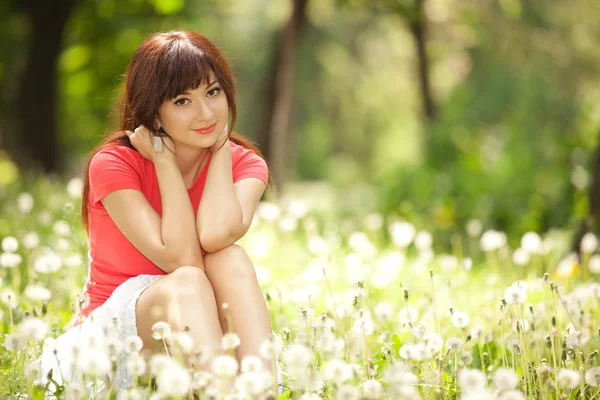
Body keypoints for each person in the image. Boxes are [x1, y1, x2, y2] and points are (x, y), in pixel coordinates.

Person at [39, 30, 282, 396]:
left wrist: (219, 153)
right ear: (153, 110)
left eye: (213, 93)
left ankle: (259, 392)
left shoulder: (246, 164)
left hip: (197, 332)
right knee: (188, 282)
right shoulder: (114, 164)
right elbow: (182, 260)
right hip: (113, 344)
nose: (205, 113)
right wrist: (164, 165)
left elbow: (216, 235)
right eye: (183, 101)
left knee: (228, 257)